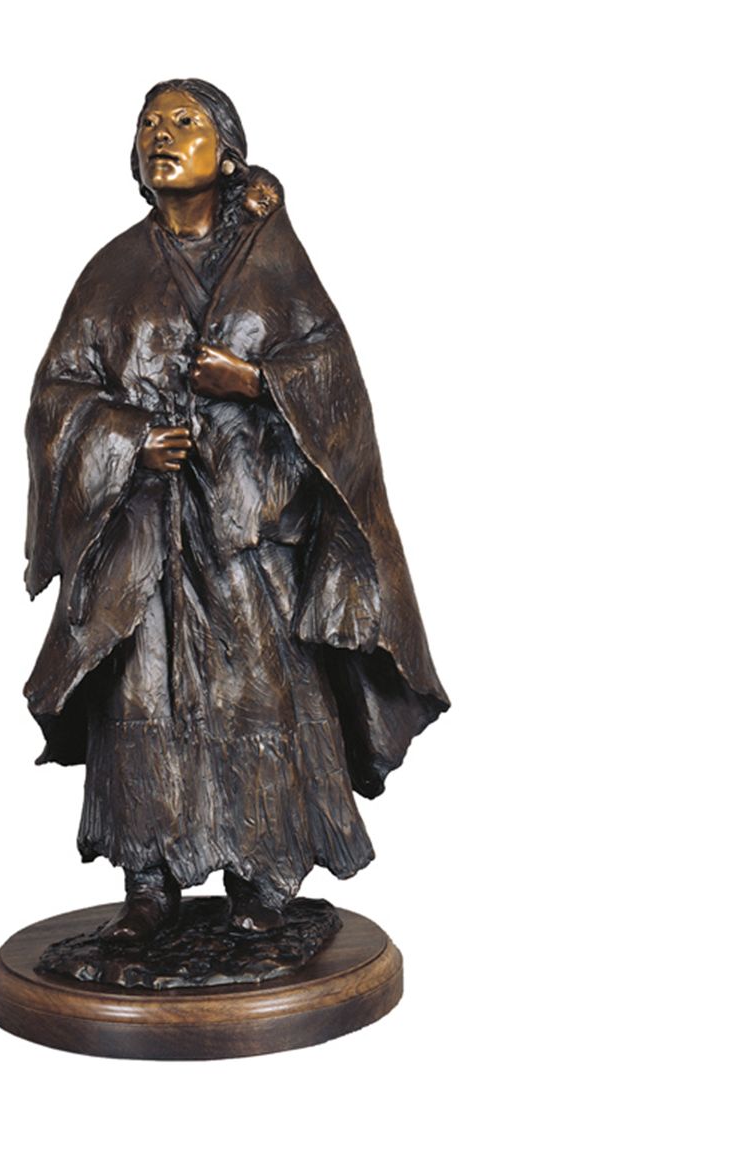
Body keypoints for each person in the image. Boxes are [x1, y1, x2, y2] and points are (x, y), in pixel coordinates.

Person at [24, 78, 449, 942]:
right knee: (142, 703)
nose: (161, 134)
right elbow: (56, 398)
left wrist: (253, 381)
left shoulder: (270, 261)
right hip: (145, 545)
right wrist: (132, 439)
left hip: (249, 541)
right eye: (149, 123)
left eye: (185, 121)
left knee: (261, 702)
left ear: (227, 150)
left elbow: (335, 381)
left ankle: (265, 881)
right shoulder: (112, 272)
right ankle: (148, 886)